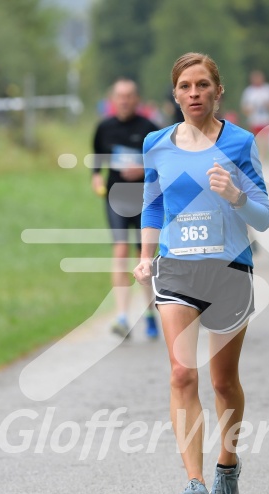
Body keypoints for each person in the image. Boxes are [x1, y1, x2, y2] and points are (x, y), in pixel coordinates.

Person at [133, 53, 269, 494]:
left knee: (223, 381)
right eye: (186, 86)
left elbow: (264, 216)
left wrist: (236, 196)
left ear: (218, 92)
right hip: (176, 269)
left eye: (203, 85)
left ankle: (226, 466)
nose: (194, 93)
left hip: (230, 270)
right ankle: (193, 483)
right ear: (174, 94)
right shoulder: (156, 143)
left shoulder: (240, 142)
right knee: (181, 374)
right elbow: (152, 205)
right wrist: (145, 256)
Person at [92, 79, 160, 339]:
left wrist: (143, 169)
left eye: (129, 95)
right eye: (119, 96)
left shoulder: (150, 129)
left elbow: (164, 163)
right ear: (112, 99)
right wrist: (96, 177)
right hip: (116, 198)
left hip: (145, 200)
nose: (124, 100)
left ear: (137, 99)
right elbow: (97, 162)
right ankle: (121, 317)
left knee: (144, 258)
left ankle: (151, 313)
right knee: (120, 251)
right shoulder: (104, 128)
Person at [240, 70, 269, 159]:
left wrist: (268, 105)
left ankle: (264, 156)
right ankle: (260, 155)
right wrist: (250, 110)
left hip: (267, 119)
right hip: (254, 120)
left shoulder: (268, 89)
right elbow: (244, 108)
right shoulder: (249, 91)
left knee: (265, 138)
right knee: (258, 139)